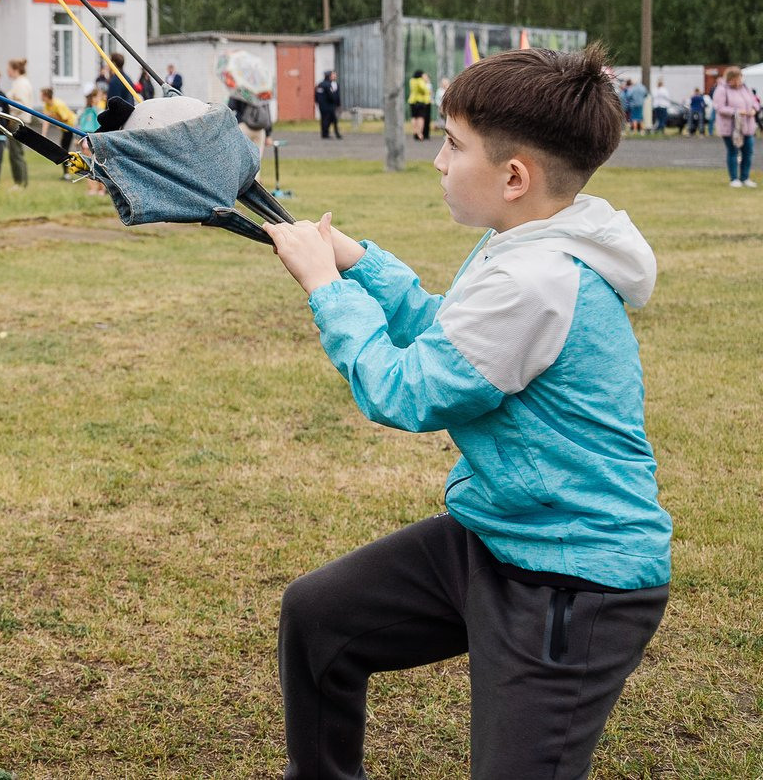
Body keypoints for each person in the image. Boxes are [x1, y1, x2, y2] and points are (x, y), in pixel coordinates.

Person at [262, 45, 669, 780]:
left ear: (515, 177)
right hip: (496, 536)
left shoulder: (539, 277)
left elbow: (407, 389)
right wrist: (359, 262)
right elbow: (445, 328)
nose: (440, 161)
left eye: (453, 144)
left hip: (573, 585)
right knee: (320, 618)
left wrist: (326, 288)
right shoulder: (530, 239)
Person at [712, 65, 760, 187]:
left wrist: (754, 109)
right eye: (737, 78)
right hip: (731, 128)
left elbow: (755, 100)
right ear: (730, 78)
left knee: (748, 151)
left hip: (748, 126)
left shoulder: (744, 88)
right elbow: (719, 107)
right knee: (733, 152)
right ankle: (734, 179)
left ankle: (745, 178)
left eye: (740, 78)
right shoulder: (722, 90)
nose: (739, 81)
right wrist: (737, 111)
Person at [2, 58, 35, 188]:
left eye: (8, 69)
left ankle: (20, 182)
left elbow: (21, 105)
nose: (7, 71)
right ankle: (21, 181)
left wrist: (6, 109)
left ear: (15, 69)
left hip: (18, 121)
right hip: (17, 120)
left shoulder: (21, 84)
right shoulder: (19, 82)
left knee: (16, 153)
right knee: (16, 152)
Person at [76, 88, 106, 196]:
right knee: (96, 164)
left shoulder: (85, 111)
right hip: (93, 138)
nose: (101, 98)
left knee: (91, 164)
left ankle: (97, 188)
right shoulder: (97, 111)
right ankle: (96, 189)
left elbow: (79, 125)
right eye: (99, 96)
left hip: (88, 138)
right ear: (94, 98)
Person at [315, 69, 342, 140]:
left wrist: (318, 102)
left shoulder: (320, 84)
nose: (334, 76)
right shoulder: (328, 85)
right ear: (329, 76)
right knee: (332, 120)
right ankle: (335, 134)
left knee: (324, 120)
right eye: (332, 75)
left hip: (322, 106)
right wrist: (337, 103)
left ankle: (324, 134)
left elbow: (316, 95)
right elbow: (331, 96)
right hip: (329, 106)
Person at [408, 69, 433, 141]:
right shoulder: (420, 81)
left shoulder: (411, 81)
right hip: (420, 101)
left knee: (414, 117)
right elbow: (424, 89)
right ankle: (420, 133)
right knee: (420, 117)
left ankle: (415, 132)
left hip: (412, 101)